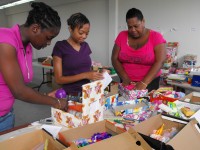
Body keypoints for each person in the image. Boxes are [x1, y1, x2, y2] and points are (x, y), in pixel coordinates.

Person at [0, 2, 68, 132]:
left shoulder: (28, 48)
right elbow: (19, 90)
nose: (49, 43)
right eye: (49, 38)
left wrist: (46, 95)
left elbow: (20, 85)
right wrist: (56, 102)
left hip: (7, 113)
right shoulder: (5, 39)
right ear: (35, 28)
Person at [51, 13, 104, 101]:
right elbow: (58, 79)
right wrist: (85, 75)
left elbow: (86, 69)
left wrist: (99, 72)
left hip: (87, 93)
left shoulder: (85, 46)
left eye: (87, 33)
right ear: (70, 29)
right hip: (69, 95)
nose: (84, 36)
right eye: (81, 32)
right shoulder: (60, 47)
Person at [112, 8, 167, 92]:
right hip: (126, 82)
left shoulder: (156, 36)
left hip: (150, 83)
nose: (133, 30)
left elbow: (160, 61)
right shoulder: (122, 35)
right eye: (129, 27)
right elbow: (114, 58)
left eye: (136, 26)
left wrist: (144, 83)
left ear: (143, 21)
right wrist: (125, 78)